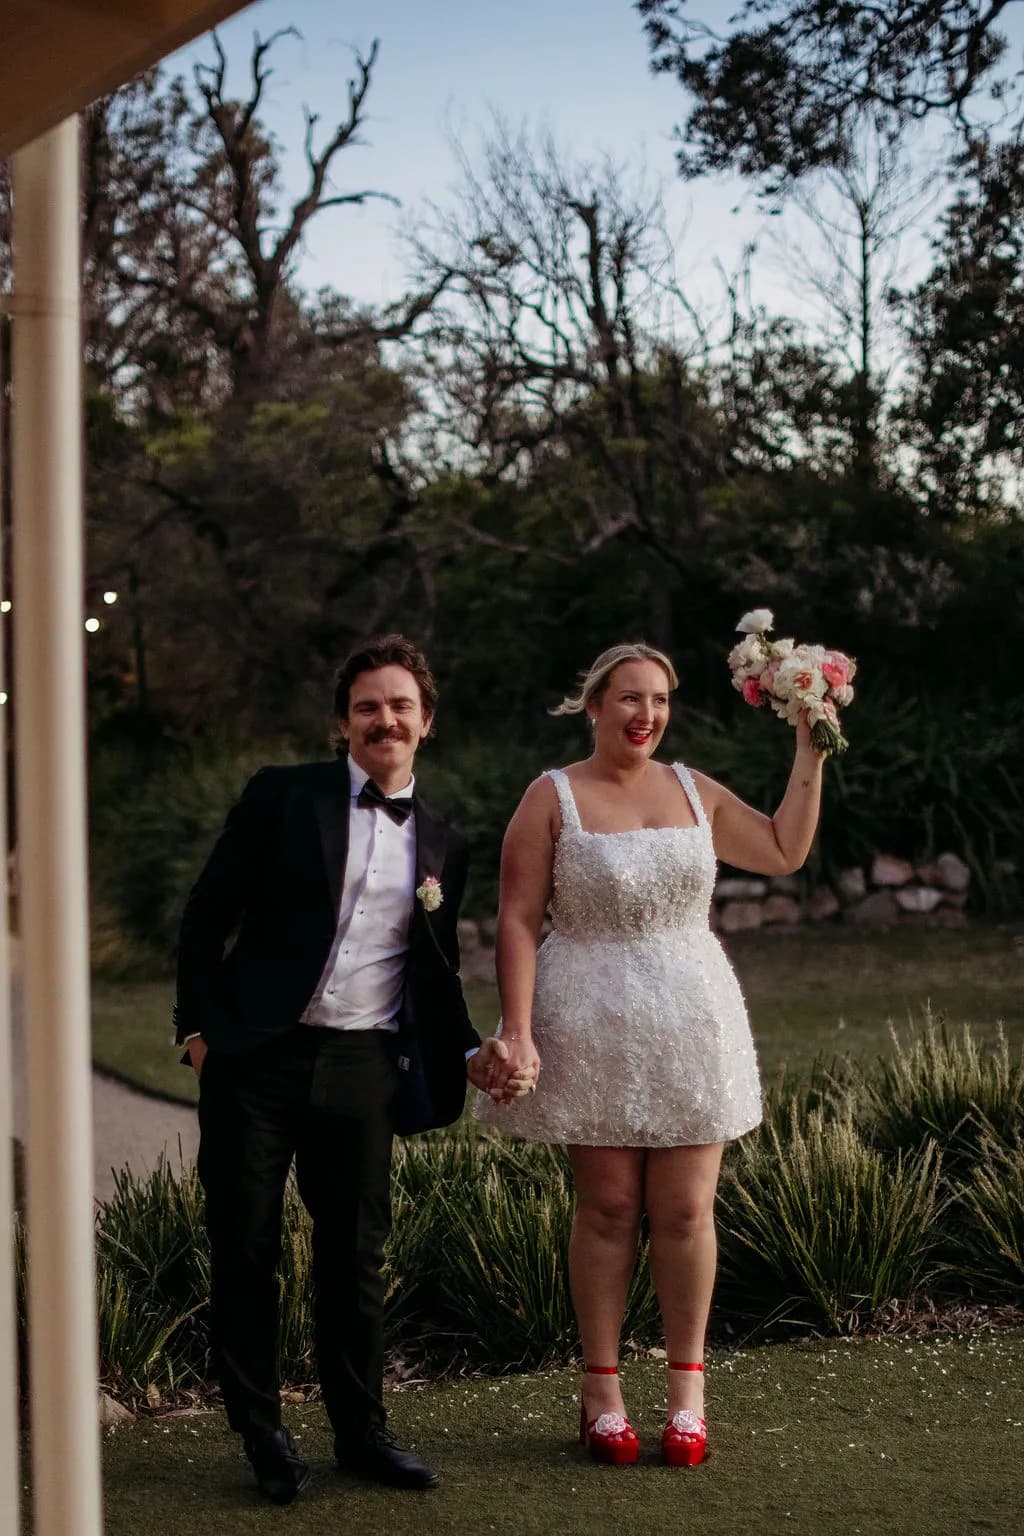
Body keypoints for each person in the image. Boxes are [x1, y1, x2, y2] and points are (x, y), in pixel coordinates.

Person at [174, 634, 534, 1506]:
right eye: (368, 705)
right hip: (256, 1062)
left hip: (362, 1068)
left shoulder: (443, 843)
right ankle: (262, 1436)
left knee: (356, 1258)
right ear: (343, 722)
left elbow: (434, 976)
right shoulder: (283, 795)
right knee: (247, 1248)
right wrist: (195, 1028)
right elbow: (206, 911)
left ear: (427, 723)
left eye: (401, 705)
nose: (385, 719)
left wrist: (470, 1052)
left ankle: (363, 1434)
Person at [477, 641, 823, 1467]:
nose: (646, 715)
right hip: (589, 1018)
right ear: (593, 705)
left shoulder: (693, 790)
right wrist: (518, 1029)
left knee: (685, 1212)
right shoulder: (551, 795)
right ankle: (601, 1393)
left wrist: (810, 751)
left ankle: (687, 1396)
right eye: (629, 699)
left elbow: (782, 849)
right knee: (604, 1209)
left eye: (660, 700)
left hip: (691, 1018)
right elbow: (519, 919)